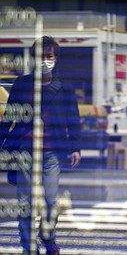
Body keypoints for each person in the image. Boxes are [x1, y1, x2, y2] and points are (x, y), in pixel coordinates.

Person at [0, 36, 81, 255]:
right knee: (25, 202)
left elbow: (73, 118)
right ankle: (29, 248)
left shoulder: (64, 87)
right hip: (24, 150)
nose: (45, 60)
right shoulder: (22, 84)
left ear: (56, 59)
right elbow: (9, 116)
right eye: (40, 56)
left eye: (49, 56)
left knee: (50, 200)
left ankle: (48, 236)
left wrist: (75, 147)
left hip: (52, 152)